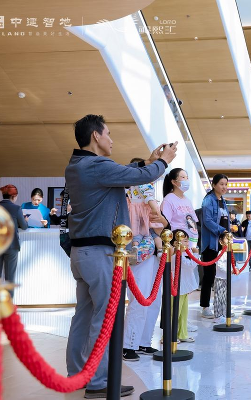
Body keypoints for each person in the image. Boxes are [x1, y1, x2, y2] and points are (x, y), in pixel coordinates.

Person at [65, 114, 176, 398]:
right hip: (99, 253)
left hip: (81, 252)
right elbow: (138, 177)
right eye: (108, 134)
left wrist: (147, 162)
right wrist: (163, 163)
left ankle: (77, 375)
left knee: (83, 315)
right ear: (96, 136)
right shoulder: (96, 165)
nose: (111, 140)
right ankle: (98, 381)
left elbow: (125, 172)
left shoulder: (77, 165)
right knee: (103, 318)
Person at [161, 167, 199, 335]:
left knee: (186, 287)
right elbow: (165, 225)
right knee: (177, 287)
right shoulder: (169, 200)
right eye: (183, 177)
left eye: (187, 176)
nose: (186, 180)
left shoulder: (187, 200)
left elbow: (192, 223)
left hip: (188, 247)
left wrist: (194, 243)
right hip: (177, 248)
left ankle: (182, 322)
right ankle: (172, 326)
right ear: (174, 181)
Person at [200, 174, 230, 319]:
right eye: (221, 184)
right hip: (211, 243)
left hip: (222, 243)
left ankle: (221, 306)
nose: (224, 187)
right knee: (209, 275)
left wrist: (227, 234)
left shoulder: (222, 201)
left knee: (222, 274)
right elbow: (207, 221)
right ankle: (205, 307)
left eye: (226, 184)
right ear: (214, 185)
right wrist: (222, 231)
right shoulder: (208, 200)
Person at [125, 157, 164, 261]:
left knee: (136, 232)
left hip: (133, 211)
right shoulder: (144, 183)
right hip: (145, 211)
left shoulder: (129, 185)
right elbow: (148, 197)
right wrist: (154, 208)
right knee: (152, 231)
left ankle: (135, 246)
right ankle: (160, 250)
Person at [0, 184, 28, 296]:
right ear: (14, 196)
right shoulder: (17, 208)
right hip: (11, 245)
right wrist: (25, 220)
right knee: (10, 278)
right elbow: (24, 226)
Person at [174, 230, 199, 342]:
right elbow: (190, 265)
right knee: (174, 313)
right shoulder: (175, 255)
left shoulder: (183, 254)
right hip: (176, 289)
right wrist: (196, 254)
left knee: (183, 313)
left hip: (183, 288)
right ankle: (170, 336)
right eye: (185, 240)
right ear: (176, 243)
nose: (187, 243)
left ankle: (182, 334)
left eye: (187, 240)